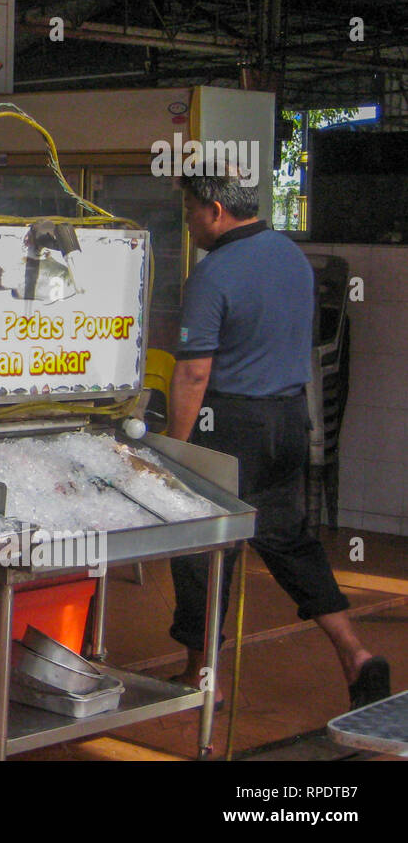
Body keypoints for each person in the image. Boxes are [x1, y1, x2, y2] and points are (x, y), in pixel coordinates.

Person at [166, 174, 389, 710]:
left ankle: (204, 677)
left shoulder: (212, 273)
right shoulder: (292, 256)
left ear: (216, 210)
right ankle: (355, 653)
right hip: (290, 421)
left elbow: (195, 374)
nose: (190, 223)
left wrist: (174, 449)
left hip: (230, 426)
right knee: (289, 541)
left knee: (200, 543)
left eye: (193, 211)